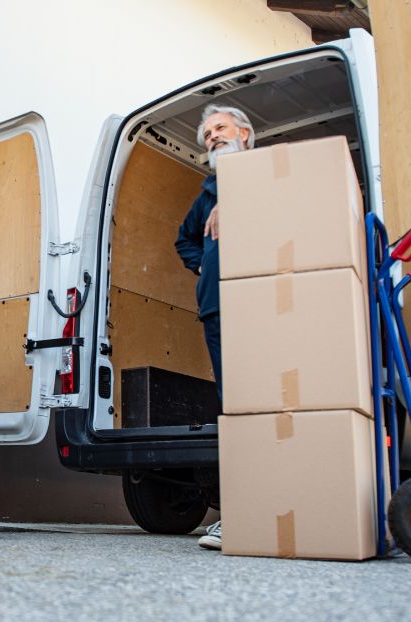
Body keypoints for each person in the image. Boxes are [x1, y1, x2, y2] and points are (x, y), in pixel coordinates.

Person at [173, 104, 255, 550]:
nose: (212, 138)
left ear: (245, 132)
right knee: (235, 406)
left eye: (219, 129)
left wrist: (233, 196)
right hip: (218, 308)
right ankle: (241, 512)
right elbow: (182, 238)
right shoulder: (205, 194)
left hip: (268, 301)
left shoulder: (271, 171)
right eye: (206, 135)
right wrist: (204, 265)